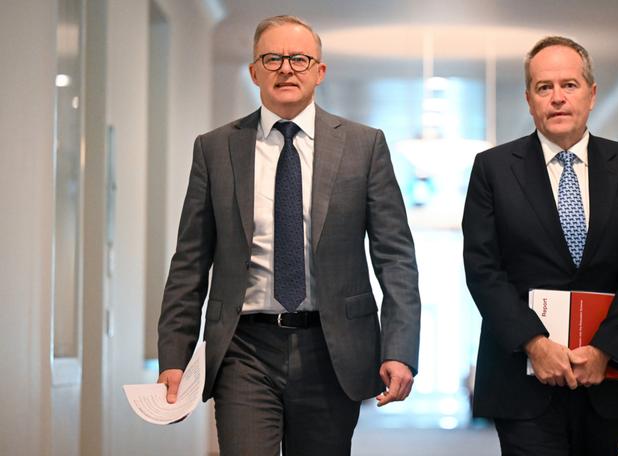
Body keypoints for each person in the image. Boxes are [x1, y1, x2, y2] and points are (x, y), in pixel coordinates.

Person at [156, 15, 421, 456]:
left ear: (320, 71)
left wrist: (400, 348)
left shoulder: (364, 146)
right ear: (254, 71)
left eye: (299, 58)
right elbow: (189, 261)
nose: (286, 68)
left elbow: (395, 258)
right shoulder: (215, 148)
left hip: (332, 348)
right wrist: (173, 357)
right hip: (244, 347)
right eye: (272, 58)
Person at [462, 36, 618, 455]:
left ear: (591, 95)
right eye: (544, 87)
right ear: (529, 99)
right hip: (521, 375)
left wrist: (605, 350)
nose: (557, 98)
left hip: (609, 375)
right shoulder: (493, 170)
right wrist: (535, 344)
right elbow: (483, 268)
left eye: (569, 85)